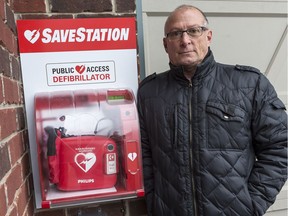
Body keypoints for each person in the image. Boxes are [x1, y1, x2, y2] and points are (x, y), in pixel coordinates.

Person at [137, 4, 287, 216]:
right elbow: (143, 157)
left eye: (194, 30)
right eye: (175, 33)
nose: (185, 40)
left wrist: (251, 204)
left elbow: (280, 147)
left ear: (208, 36)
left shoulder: (249, 84)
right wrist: (154, 203)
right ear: (165, 44)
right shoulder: (148, 93)